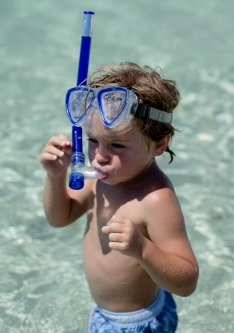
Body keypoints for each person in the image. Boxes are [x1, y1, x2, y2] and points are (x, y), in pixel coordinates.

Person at [39, 62, 199, 332]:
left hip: (139, 323)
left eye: (116, 144)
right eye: (92, 140)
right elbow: (60, 218)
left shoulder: (155, 200)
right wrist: (55, 177)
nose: (99, 155)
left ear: (159, 144)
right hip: (104, 314)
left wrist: (142, 249)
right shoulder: (100, 178)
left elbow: (187, 282)